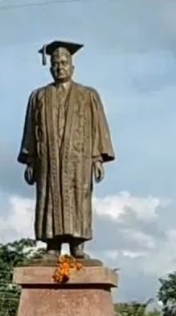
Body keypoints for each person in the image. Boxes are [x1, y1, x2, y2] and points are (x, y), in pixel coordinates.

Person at [18, 40, 115, 261]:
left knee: (79, 196)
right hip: (48, 160)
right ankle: (51, 245)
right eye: (55, 64)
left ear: (72, 67)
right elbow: (30, 130)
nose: (59, 67)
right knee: (48, 198)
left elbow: (98, 127)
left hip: (79, 160)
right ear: (50, 68)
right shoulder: (39, 96)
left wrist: (97, 158)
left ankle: (77, 245)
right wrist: (30, 160)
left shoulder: (87, 95)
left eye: (63, 63)